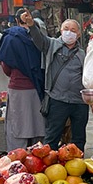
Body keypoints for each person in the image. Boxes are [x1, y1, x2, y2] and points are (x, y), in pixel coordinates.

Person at [21, 11, 88, 152]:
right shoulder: (51, 45)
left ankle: (78, 166)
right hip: (57, 99)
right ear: (61, 31)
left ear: (79, 35)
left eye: (73, 30)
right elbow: (39, 39)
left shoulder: (82, 54)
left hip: (79, 102)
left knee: (79, 138)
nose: (69, 33)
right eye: (66, 29)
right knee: (52, 136)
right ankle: (49, 167)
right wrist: (32, 25)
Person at [0, 8, 45, 152]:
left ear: (17, 21)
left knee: (17, 127)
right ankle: (38, 157)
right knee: (38, 125)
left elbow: (6, 67)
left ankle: (18, 161)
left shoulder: (10, 38)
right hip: (38, 87)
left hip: (17, 88)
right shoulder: (40, 37)